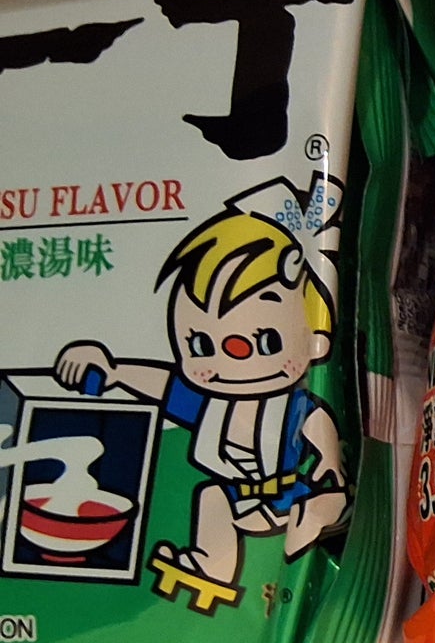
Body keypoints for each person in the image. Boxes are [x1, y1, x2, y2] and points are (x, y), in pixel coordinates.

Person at [54, 175, 346, 613]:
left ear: (316, 338)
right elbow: (163, 385)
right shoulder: (212, 407)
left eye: (265, 341)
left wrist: (328, 462)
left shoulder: (295, 404)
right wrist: (112, 370)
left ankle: (304, 558)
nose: (230, 358)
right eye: (201, 345)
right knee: (211, 496)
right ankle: (213, 564)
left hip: (295, 492)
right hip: (241, 498)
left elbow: (317, 424)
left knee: (327, 503)